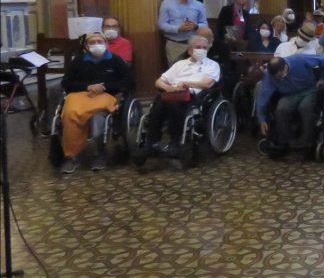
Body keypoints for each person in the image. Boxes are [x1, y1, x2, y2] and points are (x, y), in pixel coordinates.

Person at [58, 32, 133, 173]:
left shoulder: (115, 60)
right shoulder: (79, 61)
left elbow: (128, 82)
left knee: (97, 116)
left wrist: (105, 86)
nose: (96, 45)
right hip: (81, 95)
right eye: (92, 42)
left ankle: (99, 153)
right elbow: (66, 83)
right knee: (69, 114)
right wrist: (87, 86)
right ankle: (71, 156)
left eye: (100, 41)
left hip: (106, 95)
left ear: (106, 44)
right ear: (86, 46)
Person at [145, 35, 220, 161]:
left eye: (204, 48)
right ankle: (152, 142)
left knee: (173, 104)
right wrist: (168, 88)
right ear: (190, 50)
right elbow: (158, 82)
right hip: (172, 92)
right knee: (159, 104)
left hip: (193, 95)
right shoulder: (179, 64)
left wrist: (186, 83)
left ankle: (175, 142)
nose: (201, 50)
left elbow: (207, 84)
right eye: (198, 47)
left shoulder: (212, 65)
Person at [256, 54, 324, 157]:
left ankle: (305, 144)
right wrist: (261, 119)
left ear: (285, 67)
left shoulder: (299, 59)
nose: (279, 79)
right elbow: (263, 97)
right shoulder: (269, 75)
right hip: (289, 94)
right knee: (281, 109)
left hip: (309, 90)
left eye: (280, 76)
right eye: (277, 78)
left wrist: (323, 77)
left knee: (305, 108)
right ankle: (285, 142)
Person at [158, 0, 208, 66]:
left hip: (194, 44)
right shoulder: (166, 3)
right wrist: (178, 28)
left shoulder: (199, 5)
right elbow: (161, 24)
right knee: (175, 71)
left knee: (195, 70)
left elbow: (205, 24)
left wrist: (196, 26)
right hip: (175, 45)